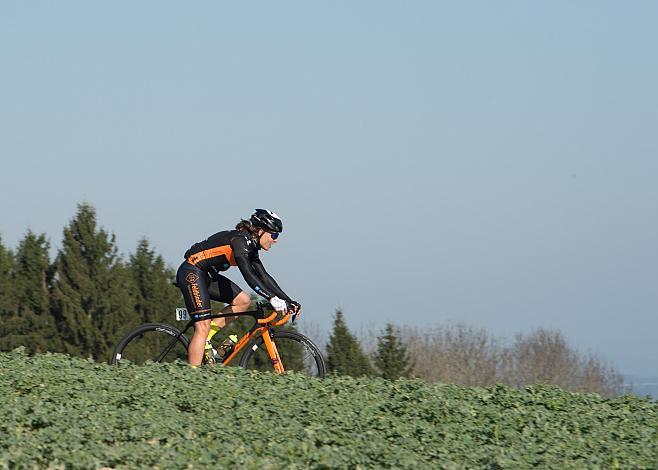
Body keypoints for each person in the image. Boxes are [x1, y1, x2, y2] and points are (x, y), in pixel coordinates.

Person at [176, 209, 299, 366]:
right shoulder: (239, 242)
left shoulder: (252, 246)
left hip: (207, 276)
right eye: (274, 235)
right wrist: (272, 298)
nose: (276, 240)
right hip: (192, 272)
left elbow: (264, 276)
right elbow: (249, 276)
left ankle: (206, 340)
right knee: (202, 326)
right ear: (261, 231)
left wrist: (288, 300)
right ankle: (191, 381)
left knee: (243, 301)